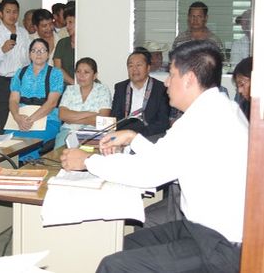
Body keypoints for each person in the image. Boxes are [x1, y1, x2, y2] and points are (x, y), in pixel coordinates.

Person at [61, 40, 248, 273]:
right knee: (123, 244)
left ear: (189, 78)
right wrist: (133, 137)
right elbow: (166, 157)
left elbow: (148, 173)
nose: (167, 83)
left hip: (220, 245)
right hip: (199, 229)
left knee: (113, 265)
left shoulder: (202, 121)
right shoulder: (218, 109)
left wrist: (87, 161)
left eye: (171, 75)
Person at [5, 38, 63, 162]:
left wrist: (30, 120)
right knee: (8, 140)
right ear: (30, 54)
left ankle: (30, 166)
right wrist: (17, 117)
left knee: (33, 140)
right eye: (35, 50)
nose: (38, 53)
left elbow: (52, 103)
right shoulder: (20, 73)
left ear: (48, 54)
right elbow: (13, 100)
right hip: (20, 117)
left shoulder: (56, 74)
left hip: (47, 117)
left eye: (42, 50)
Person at [0, 0, 30, 133]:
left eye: (15, 12)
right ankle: (4, 153)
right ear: (0, 14)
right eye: (8, 11)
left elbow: (28, 58)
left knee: (24, 122)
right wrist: (2, 50)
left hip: (23, 82)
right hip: (3, 84)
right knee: (6, 124)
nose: (12, 15)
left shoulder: (23, 33)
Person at [111, 48, 170, 138]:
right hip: (123, 136)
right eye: (130, 66)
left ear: (148, 68)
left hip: (150, 137)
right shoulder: (120, 88)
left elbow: (162, 122)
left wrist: (137, 135)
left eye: (139, 65)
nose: (134, 69)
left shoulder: (161, 89)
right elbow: (115, 118)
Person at [54, 57, 112, 148]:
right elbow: (62, 115)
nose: (81, 76)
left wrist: (72, 118)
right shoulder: (70, 90)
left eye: (86, 72)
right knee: (58, 157)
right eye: (78, 72)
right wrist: (90, 114)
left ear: (95, 75)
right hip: (69, 131)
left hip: (94, 133)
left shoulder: (103, 90)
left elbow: (102, 119)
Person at [53, 5, 76, 85]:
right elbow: (57, 68)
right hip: (66, 86)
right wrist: (74, 84)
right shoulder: (62, 43)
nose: (67, 27)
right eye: (66, 23)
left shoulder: (88, 43)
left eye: (70, 22)